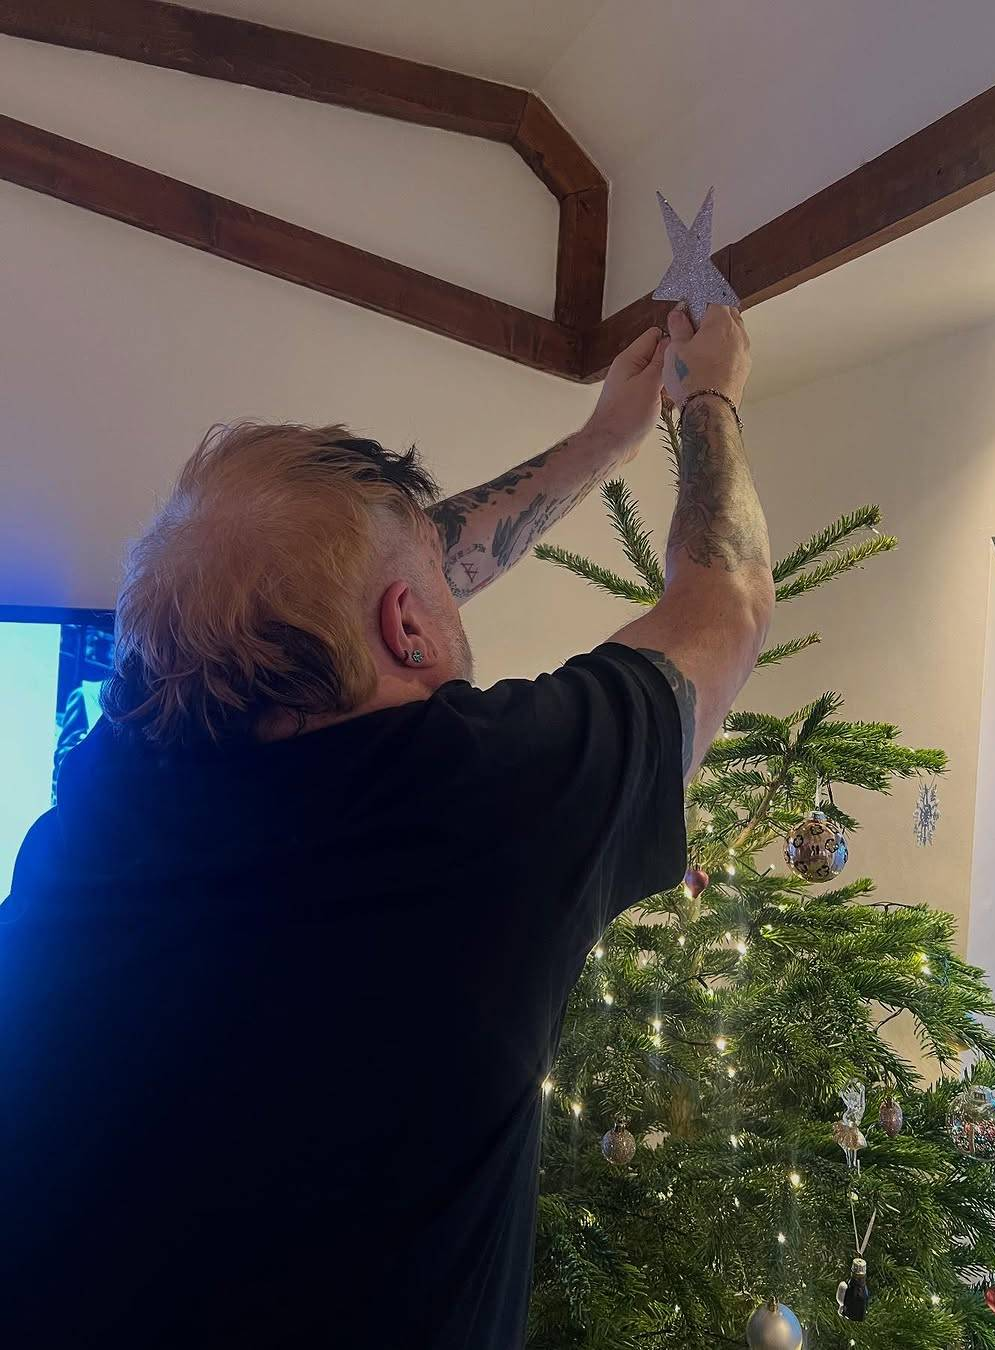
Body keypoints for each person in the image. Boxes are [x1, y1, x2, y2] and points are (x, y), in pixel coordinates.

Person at [1, 303, 773, 1349]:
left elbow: (353, 581)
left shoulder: (124, 762)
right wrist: (712, 398)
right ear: (407, 624)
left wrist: (604, 439)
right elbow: (725, 605)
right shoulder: (475, 804)